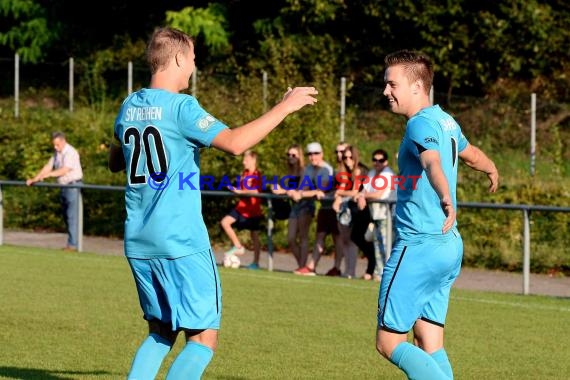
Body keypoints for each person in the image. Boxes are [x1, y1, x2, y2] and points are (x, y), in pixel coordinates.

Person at [108, 27, 318, 380]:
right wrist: (285, 106)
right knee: (203, 338)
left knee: (160, 332)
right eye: (192, 58)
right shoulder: (182, 106)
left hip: (140, 241)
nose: (193, 66)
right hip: (180, 240)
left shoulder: (130, 104)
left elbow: (117, 160)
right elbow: (235, 143)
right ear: (177, 58)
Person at [375, 49, 498, 380]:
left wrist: (446, 196)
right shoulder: (446, 120)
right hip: (448, 244)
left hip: (419, 246)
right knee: (429, 339)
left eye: (392, 84)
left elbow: (432, 162)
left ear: (417, 86)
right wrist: (492, 168)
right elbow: (470, 155)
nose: (385, 91)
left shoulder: (419, 125)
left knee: (388, 341)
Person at [26, 131, 83, 251]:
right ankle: (72, 242)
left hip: (73, 186)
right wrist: (34, 179)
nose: (55, 147)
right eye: (54, 145)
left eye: (57, 144)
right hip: (64, 186)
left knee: (72, 216)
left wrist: (49, 175)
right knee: (66, 216)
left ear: (63, 141)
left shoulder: (70, 152)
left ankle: (73, 245)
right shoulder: (57, 153)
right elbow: (48, 166)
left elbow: (64, 170)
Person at [292, 142, 338, 276]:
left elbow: (321, 190)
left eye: (316, 153)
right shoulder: (308, 169)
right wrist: (298, 192)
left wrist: (300, 194)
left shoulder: (327, 169)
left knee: (339, 240)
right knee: (320, 237)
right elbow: (303, 188)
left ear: (322, 154)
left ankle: (341, 269)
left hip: (335, 207)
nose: (313, 157)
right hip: (324, 208)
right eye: (310, 154)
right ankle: (311, 267)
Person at [356, 148, 396, 281]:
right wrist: (362, 196)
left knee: (387, 246)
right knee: (377, 245)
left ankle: (389, 274)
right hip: (376, 215)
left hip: (387, 215)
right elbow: (364, 190)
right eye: (375, 160)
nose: (377, 163)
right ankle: (379, 274)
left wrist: (362, 196)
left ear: (386, 162)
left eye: (381, 160)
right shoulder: (372, 173)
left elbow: (378, 194)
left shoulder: (388, 174)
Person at [332, 144, 370, 279]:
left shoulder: (360, 170)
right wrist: (338, 197)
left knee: (352, 240)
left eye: (350, 157)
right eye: (345, 157)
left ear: (355, 157)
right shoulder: (343, 172)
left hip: (359, 211)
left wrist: (339, 193)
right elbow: (341, 189)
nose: (347, 160)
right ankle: (348, 270)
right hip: (345, 210)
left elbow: (354, 191)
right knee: (344, 240)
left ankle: (351, 271)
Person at [220, 150, 263, 270]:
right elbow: (242, 190)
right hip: (241, 207)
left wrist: (240, 191)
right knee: (225, 222)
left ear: (253, 160)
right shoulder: (244, 173)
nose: (244, 162)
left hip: (253, 210)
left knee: (254, 236)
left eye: (246, 159)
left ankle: (256, 263)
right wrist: (235, 191)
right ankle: (238, 246)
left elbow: (255, 191)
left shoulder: (257, 175)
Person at [270, 144, 309, 269]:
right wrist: (275, 187)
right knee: (291, 239)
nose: (290, 157)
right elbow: (283, 187)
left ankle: (302, 267)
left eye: (293, 155)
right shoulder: (289, 172)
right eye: (288, 155)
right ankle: (302, 266)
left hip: (306, 205)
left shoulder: (304, 170)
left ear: (299, 156)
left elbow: (299, 191)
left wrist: (283, 190)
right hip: (294, 207)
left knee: (303, 237)